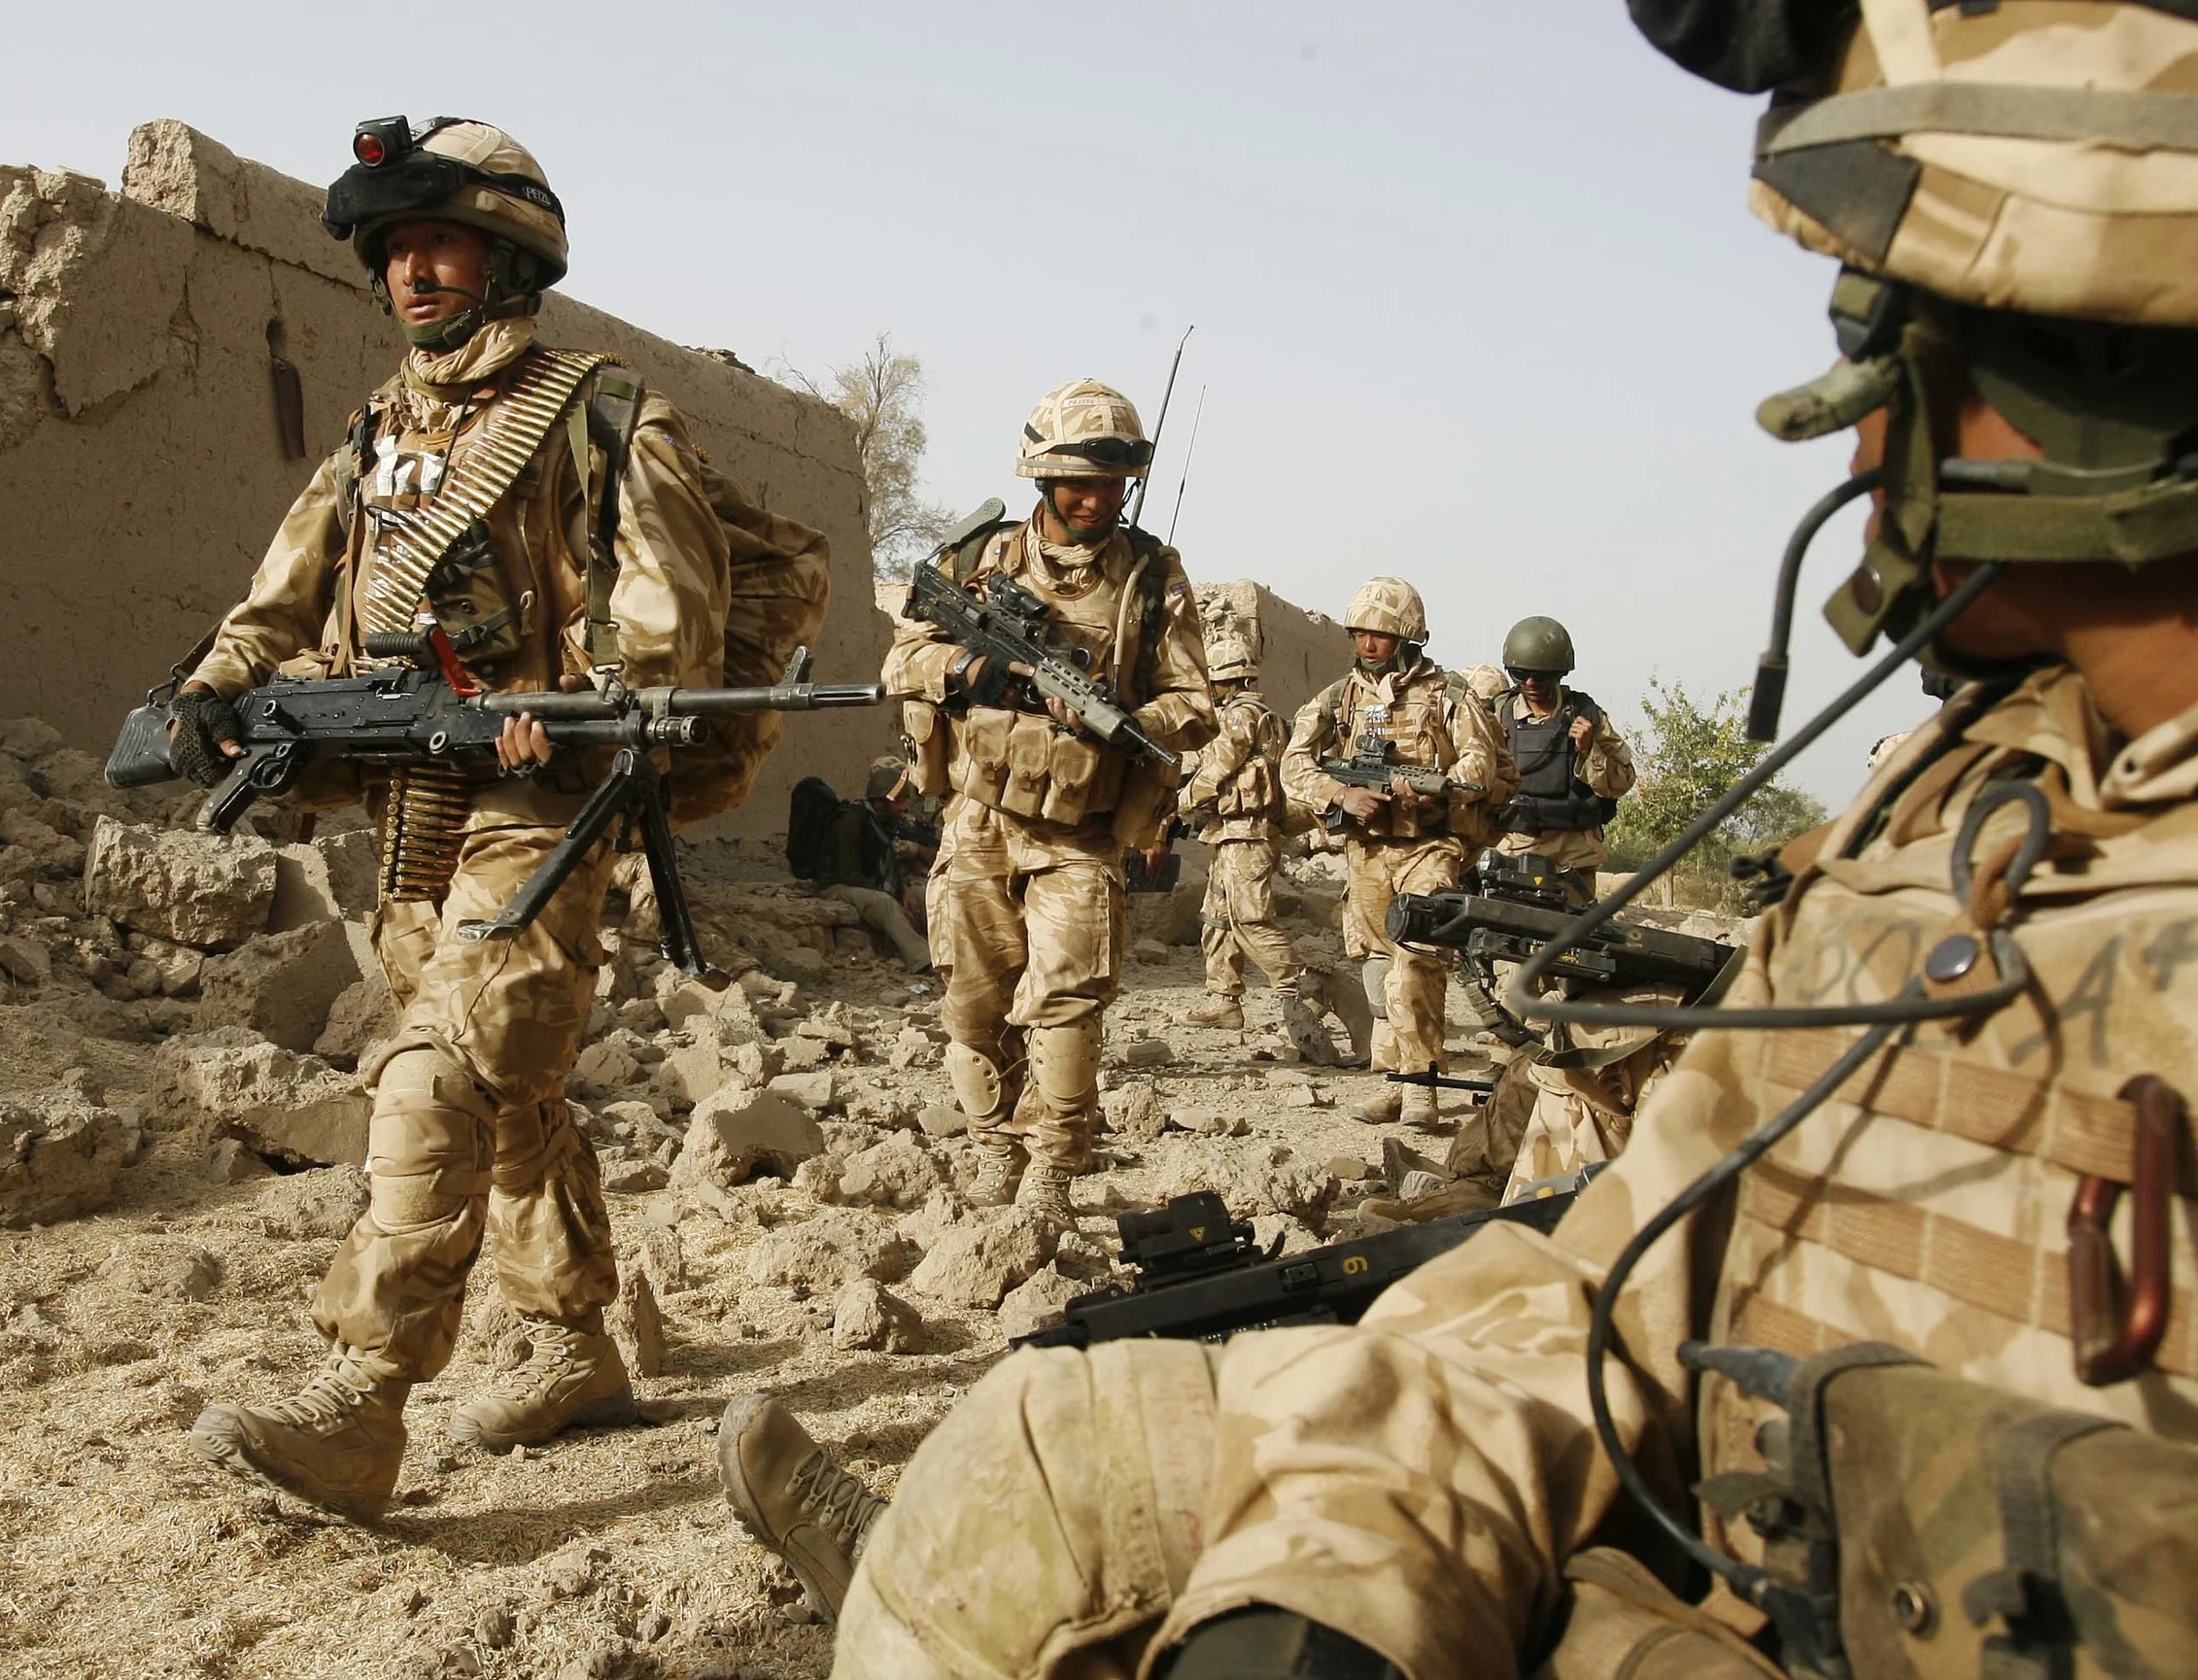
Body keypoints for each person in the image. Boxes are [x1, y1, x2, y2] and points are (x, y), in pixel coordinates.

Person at [720, 4, 2198, 1672]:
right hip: (1717, 1423)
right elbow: (1639, 1252)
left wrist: (1349, 791)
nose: (1862, 455)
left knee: (1146, 1002)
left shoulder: (1217, 613)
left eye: (1906, 376)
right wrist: (1367, 1530)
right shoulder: (1954, 796)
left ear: (2107, 398)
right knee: (1050, 1402)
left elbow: (1347, 749)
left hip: (1846, 1562)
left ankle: (1073, 1169)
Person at [171, 117, 812, 1521]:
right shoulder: (377, 433)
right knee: (510, 1087)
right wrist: (217, 685)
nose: (413, 271)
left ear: (511, 260)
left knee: (442, 1064)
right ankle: (579, 1342)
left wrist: (567, 702)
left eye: (441, 244)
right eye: (396, 249)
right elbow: (287, 592)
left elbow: (668, 632)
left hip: (546, 802)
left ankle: (361, 1399)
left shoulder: (601, 416)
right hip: (414, 799)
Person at [884, 379, 1215, 1222]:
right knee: (972, 1002)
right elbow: (902, 658)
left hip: (1080, 831)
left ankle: (1050, 1176)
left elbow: (1194, 703)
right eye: (1077, 483)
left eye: (1112, 483)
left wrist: (1127, 720)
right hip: (979, 817)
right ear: (1042, 476)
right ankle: (993, 1148)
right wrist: (968, 668)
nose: (1096, 499)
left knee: (1067, 1004)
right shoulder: (981, 559)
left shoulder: (1151, 577)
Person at [1279, 578, 1504, 1125]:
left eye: (1379, 634)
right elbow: (1293, 764)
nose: (1367, 644)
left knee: (1419, 958)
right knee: (1379, 968)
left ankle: (1422, 1083)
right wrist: (1340, 794)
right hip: (1368, 851)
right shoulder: (1339, 698)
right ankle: (1394, 1081)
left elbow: (1480, 766)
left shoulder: (1449, 694)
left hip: (1430, 846)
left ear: (1407, 637)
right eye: (1359, 634)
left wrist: (1434, 789)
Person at [1178, 630, 1335, 1063]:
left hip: (1248, 833)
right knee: (1217, 918)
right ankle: (1224, 999)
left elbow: (1218, 768)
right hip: (1230, 832)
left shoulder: (1242, 715)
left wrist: (1182, 800)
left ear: (1225, 681)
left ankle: (1302, 988)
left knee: (1249, 919)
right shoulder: (1258, 714)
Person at [1488, 615, 1637, 879]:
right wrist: (1491, 743)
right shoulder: (1498, 715)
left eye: (1540, 676)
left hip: (1575, 854)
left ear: (1559, 673)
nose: (1530, 683)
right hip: (1515, 849)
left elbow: (1623, 782)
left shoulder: (1586, 715)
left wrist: (1588, 750)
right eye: (1520, 675)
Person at [809, 755, 934, 971]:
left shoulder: (882, 823)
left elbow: (886, 864)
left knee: (927, 894)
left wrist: (903, 890)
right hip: (837, 886)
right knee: (884, 903)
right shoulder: (851, 822)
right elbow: (850, 875)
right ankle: (922, 959)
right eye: (899, 801)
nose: (904, 807)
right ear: (880, 802)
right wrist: (893, 894)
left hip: (868, 883)